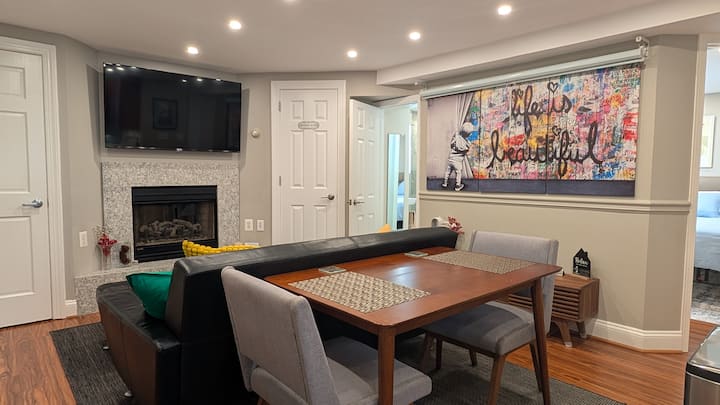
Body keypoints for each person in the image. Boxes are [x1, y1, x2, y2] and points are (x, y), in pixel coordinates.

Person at [441, 122, 473, 191]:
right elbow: (466, 150)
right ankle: (458, 186)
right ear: (469, 134)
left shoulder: (456, 137)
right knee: (458, 173)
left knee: (447, 172)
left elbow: (451, 144)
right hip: (458, 162)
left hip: (451, 159)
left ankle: (445, 183)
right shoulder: (467, 143)